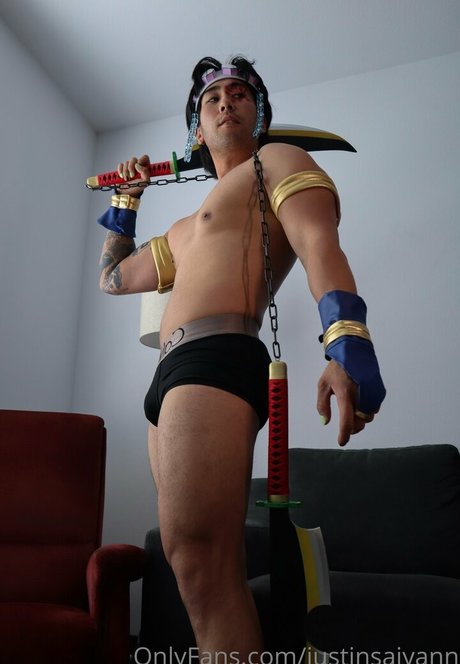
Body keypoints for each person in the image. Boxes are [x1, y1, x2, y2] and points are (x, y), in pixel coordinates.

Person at [97, 55, 385, 660]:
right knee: (193, 567)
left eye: (240, 94)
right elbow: (113, 279)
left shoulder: (277, 161)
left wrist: (346, 346)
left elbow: (318, 244)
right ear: (197, 130)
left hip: (219, 355)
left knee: (200, 561)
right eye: (212, 98)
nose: (226, 102)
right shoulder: (184, 228)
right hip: (168, 374)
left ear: (258, 114)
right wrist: (126, 200)